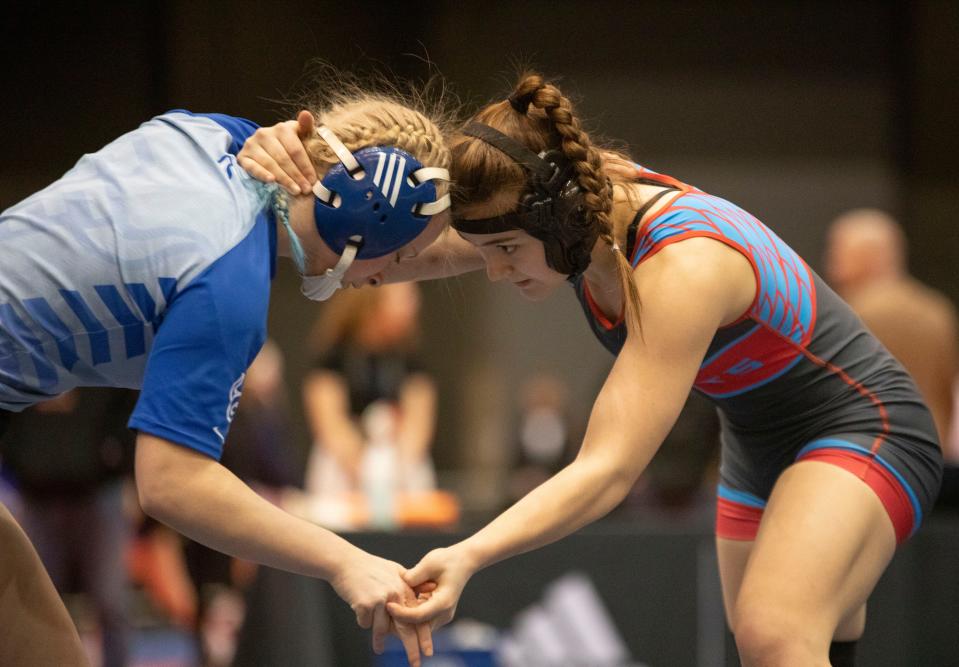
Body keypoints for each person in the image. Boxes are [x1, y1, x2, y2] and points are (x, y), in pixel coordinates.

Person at [242, 72, 943, 667]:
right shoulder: (564, 208)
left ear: (559, 219)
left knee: (774, 631)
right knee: (783, 641)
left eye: (507, 252)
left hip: (865, 423)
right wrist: (290, 177)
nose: (492, 271)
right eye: (488, 251)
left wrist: (469, 554)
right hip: (760, 440)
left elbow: (606, 469)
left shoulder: (683, 265)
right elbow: (404, 249)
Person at [0, 82, 454, 666]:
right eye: (396, 258)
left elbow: (382, 216)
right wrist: (346, 560)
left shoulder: (211, 133)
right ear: (361, 221)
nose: (393, 277)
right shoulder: (227, 288)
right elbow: (171, 484)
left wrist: (507, 247)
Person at [0, 388, 137, 667]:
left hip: (98, 491)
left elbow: (129, 406)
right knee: (34, 603)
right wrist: (20, 463)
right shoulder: (22, 352)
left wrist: (123, 467)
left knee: (111, 602)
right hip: (35, 494)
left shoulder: (102, 353)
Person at [824, 208, 958, 451]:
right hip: (929, 450)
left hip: (864, 451)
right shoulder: (936, 311)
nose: (831, 261)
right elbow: (946, 391)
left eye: (839, 250)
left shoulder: (848, 316)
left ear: (870, 256)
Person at [303, 282, 438, 505]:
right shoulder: (333, 357)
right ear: (372, 302)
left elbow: (419, 421)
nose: (414, 306)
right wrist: (364, 471)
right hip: (342, 468)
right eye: (404, 299)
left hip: (400, 466)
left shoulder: (411, 358)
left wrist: (395, 472)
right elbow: (329, 422)